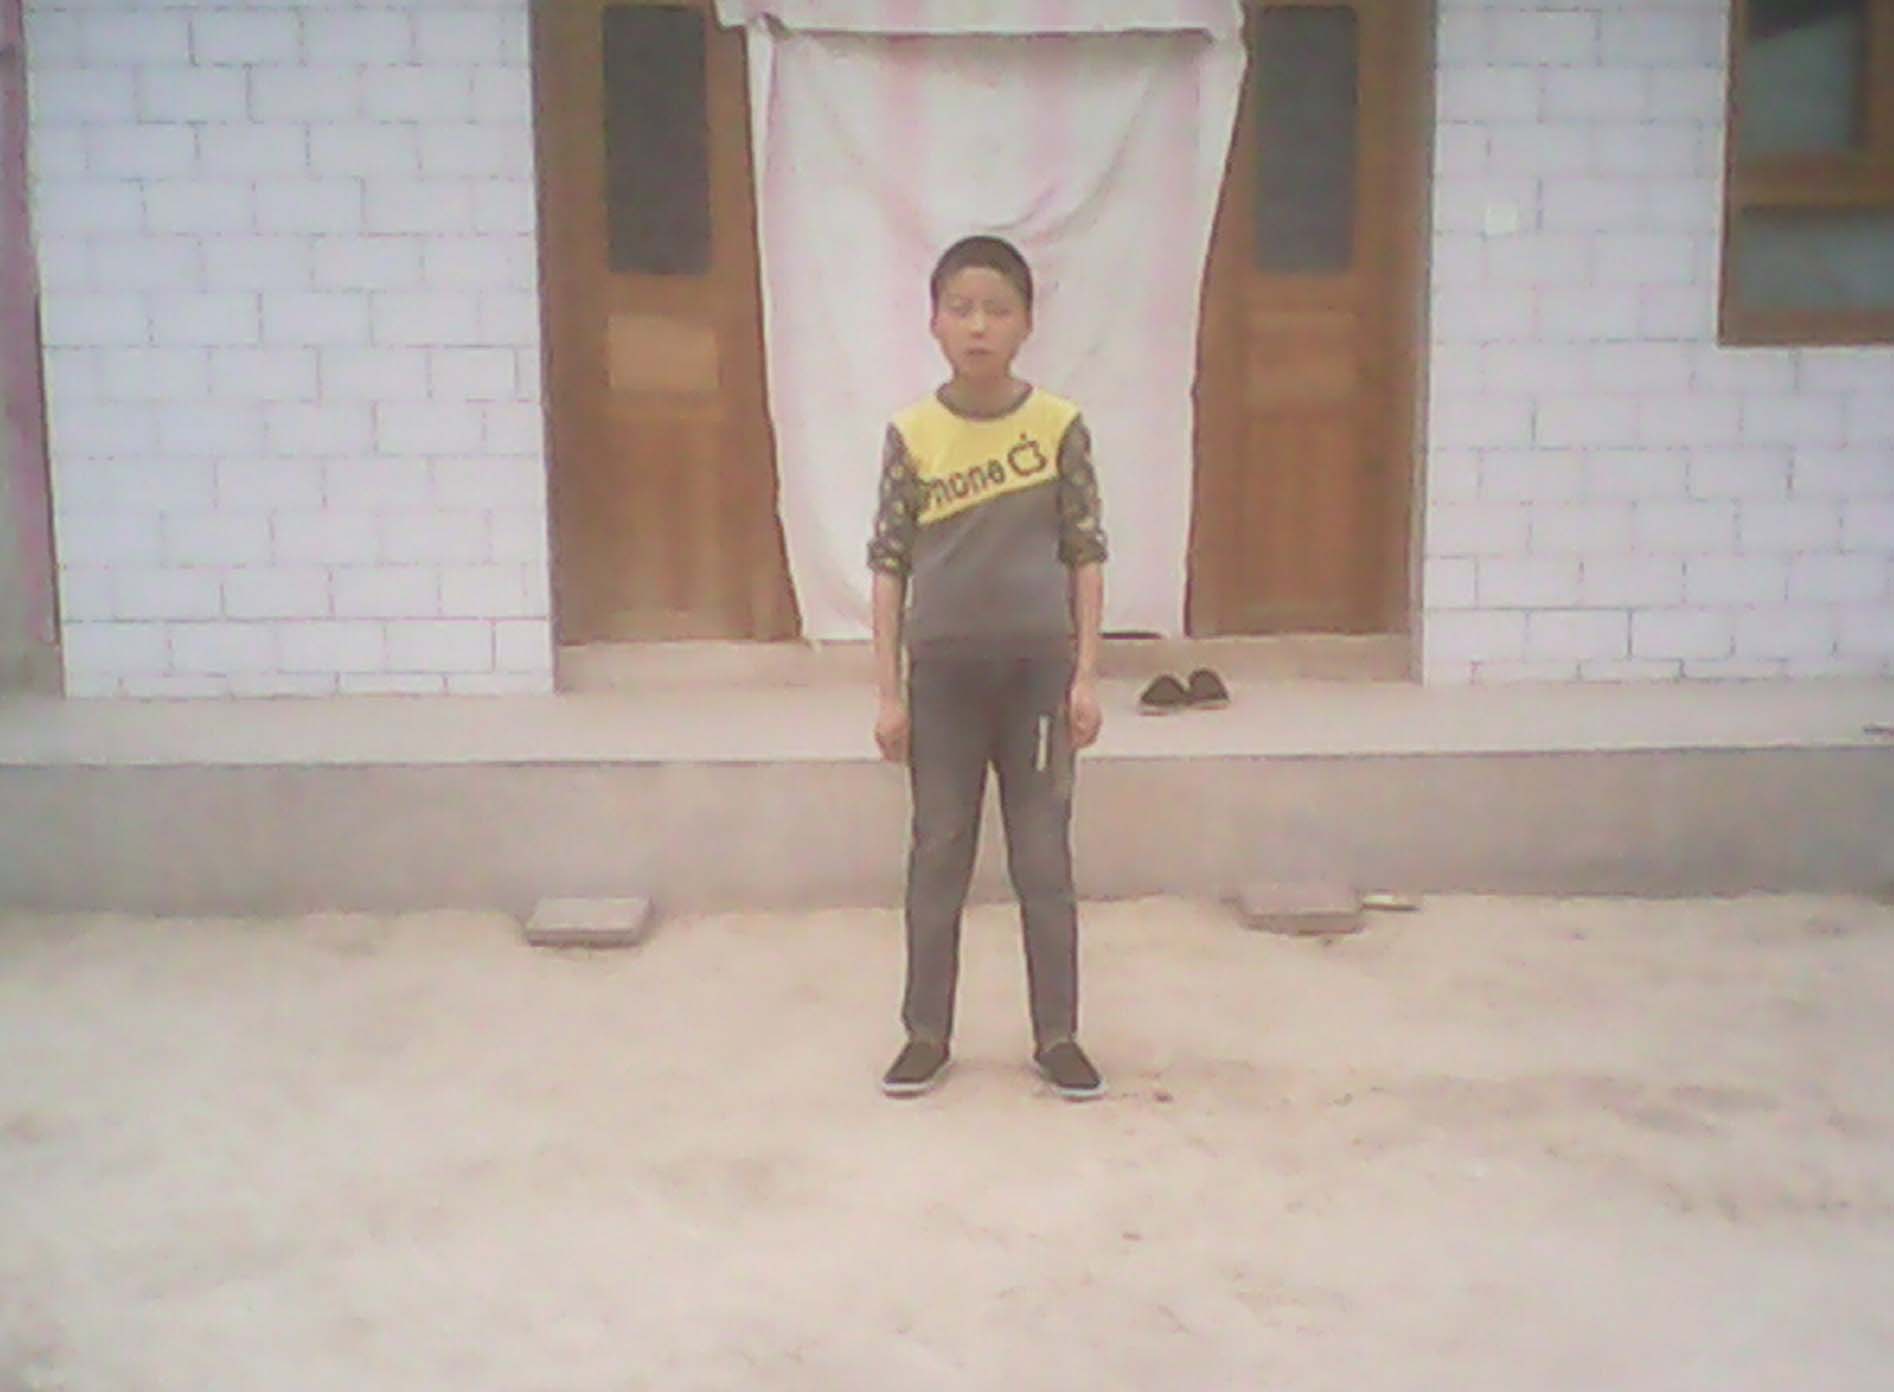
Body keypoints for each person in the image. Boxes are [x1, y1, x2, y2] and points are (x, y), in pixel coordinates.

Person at [866, 234, 1108, 1101]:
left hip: (1037, 679)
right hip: (942, 681)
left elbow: (1085, 554)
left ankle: (1059, 1036)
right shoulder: (911, 433)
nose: (978, 327)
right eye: (961, 309)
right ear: (933, 322)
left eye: (997, 310)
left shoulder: (1058, 427)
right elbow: (888, 566)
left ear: (1026, 324)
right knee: (939, 852)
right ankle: (925, 1033)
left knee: (1043, 859)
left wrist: (1085, 675)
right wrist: (888, 694)